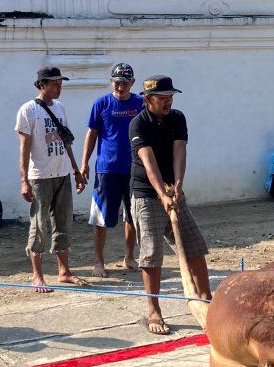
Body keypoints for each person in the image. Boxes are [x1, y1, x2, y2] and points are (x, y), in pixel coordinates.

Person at [129, 75, 211, 335]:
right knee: (152, 254)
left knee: (194, 245)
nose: (168, 102)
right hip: (146, 193)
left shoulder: (177, 118)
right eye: (162, 98)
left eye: (170, 98)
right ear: (148, 99)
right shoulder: (138, 124)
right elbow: (148, 162)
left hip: (172, 191)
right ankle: (153, 310)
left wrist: (177, 186)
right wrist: (161, 195)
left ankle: (206, 300)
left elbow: (180, 151)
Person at [16, 66, 88, 293]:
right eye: (55, 83)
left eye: (60, 83)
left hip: (62, 174)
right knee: (39, 225)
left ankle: (64, 271)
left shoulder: (60, 108)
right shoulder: (27, 110)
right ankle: (37, 275)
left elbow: (67, 143)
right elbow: (24, 149)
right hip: (39, 177)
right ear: (42, 85)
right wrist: (24, 180)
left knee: (64, 223)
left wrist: (76, 171)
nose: (59, 87)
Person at [79, 63, 142, 277]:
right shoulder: (102, 103)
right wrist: (84, 162)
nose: (120, 87)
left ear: (132, 83)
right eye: (116, 82)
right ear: (111, 82)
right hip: (106, 169)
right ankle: (99, 262)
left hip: (134, 169)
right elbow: (92, 134)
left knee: (133, 215)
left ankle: (129, 257)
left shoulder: (140, 104)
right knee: (100, 218)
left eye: (125, 83)